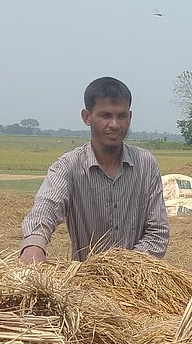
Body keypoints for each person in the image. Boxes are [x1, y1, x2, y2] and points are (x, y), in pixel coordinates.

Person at [19, 77, 169, 263]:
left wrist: (124, 266)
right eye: (105, 115)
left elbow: (158, 232)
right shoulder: (69, 166)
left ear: (130, 117)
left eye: (121, 116)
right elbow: (46, 207)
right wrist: (34, 245)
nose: (114, 124)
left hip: (138, 279)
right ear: (86, 117)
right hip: (85, 282)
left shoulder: (146, 164)